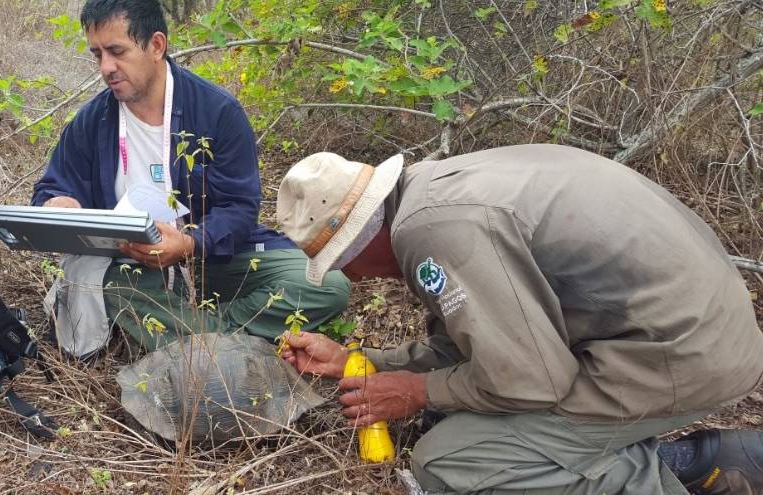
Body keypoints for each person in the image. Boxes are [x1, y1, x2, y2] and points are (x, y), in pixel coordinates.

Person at [275, 145, 763, 495]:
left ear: (362, 237)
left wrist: (416, 392)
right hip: (696, 333)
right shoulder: (433, 190)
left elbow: (531, 382)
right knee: (463, 412)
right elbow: (477, 343)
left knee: (453, 460)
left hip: (683, 357)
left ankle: (669, 477)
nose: (352, 277)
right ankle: (701, 462)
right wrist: (361, 363)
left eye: (341, 261)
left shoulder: (436, 231)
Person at [31, 0, 349, 354]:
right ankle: (221, 343)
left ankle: (198, 336)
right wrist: (59, 203)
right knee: (101, 281)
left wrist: (188, 243)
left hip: (208, 261)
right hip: (132, 267)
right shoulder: (92, 121)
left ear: (156, 46)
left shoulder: (216, 111)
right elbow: (54, 187)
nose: (106, 67)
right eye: (97, 54)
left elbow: (240, 209)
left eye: (116, 51)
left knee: (329, 285)